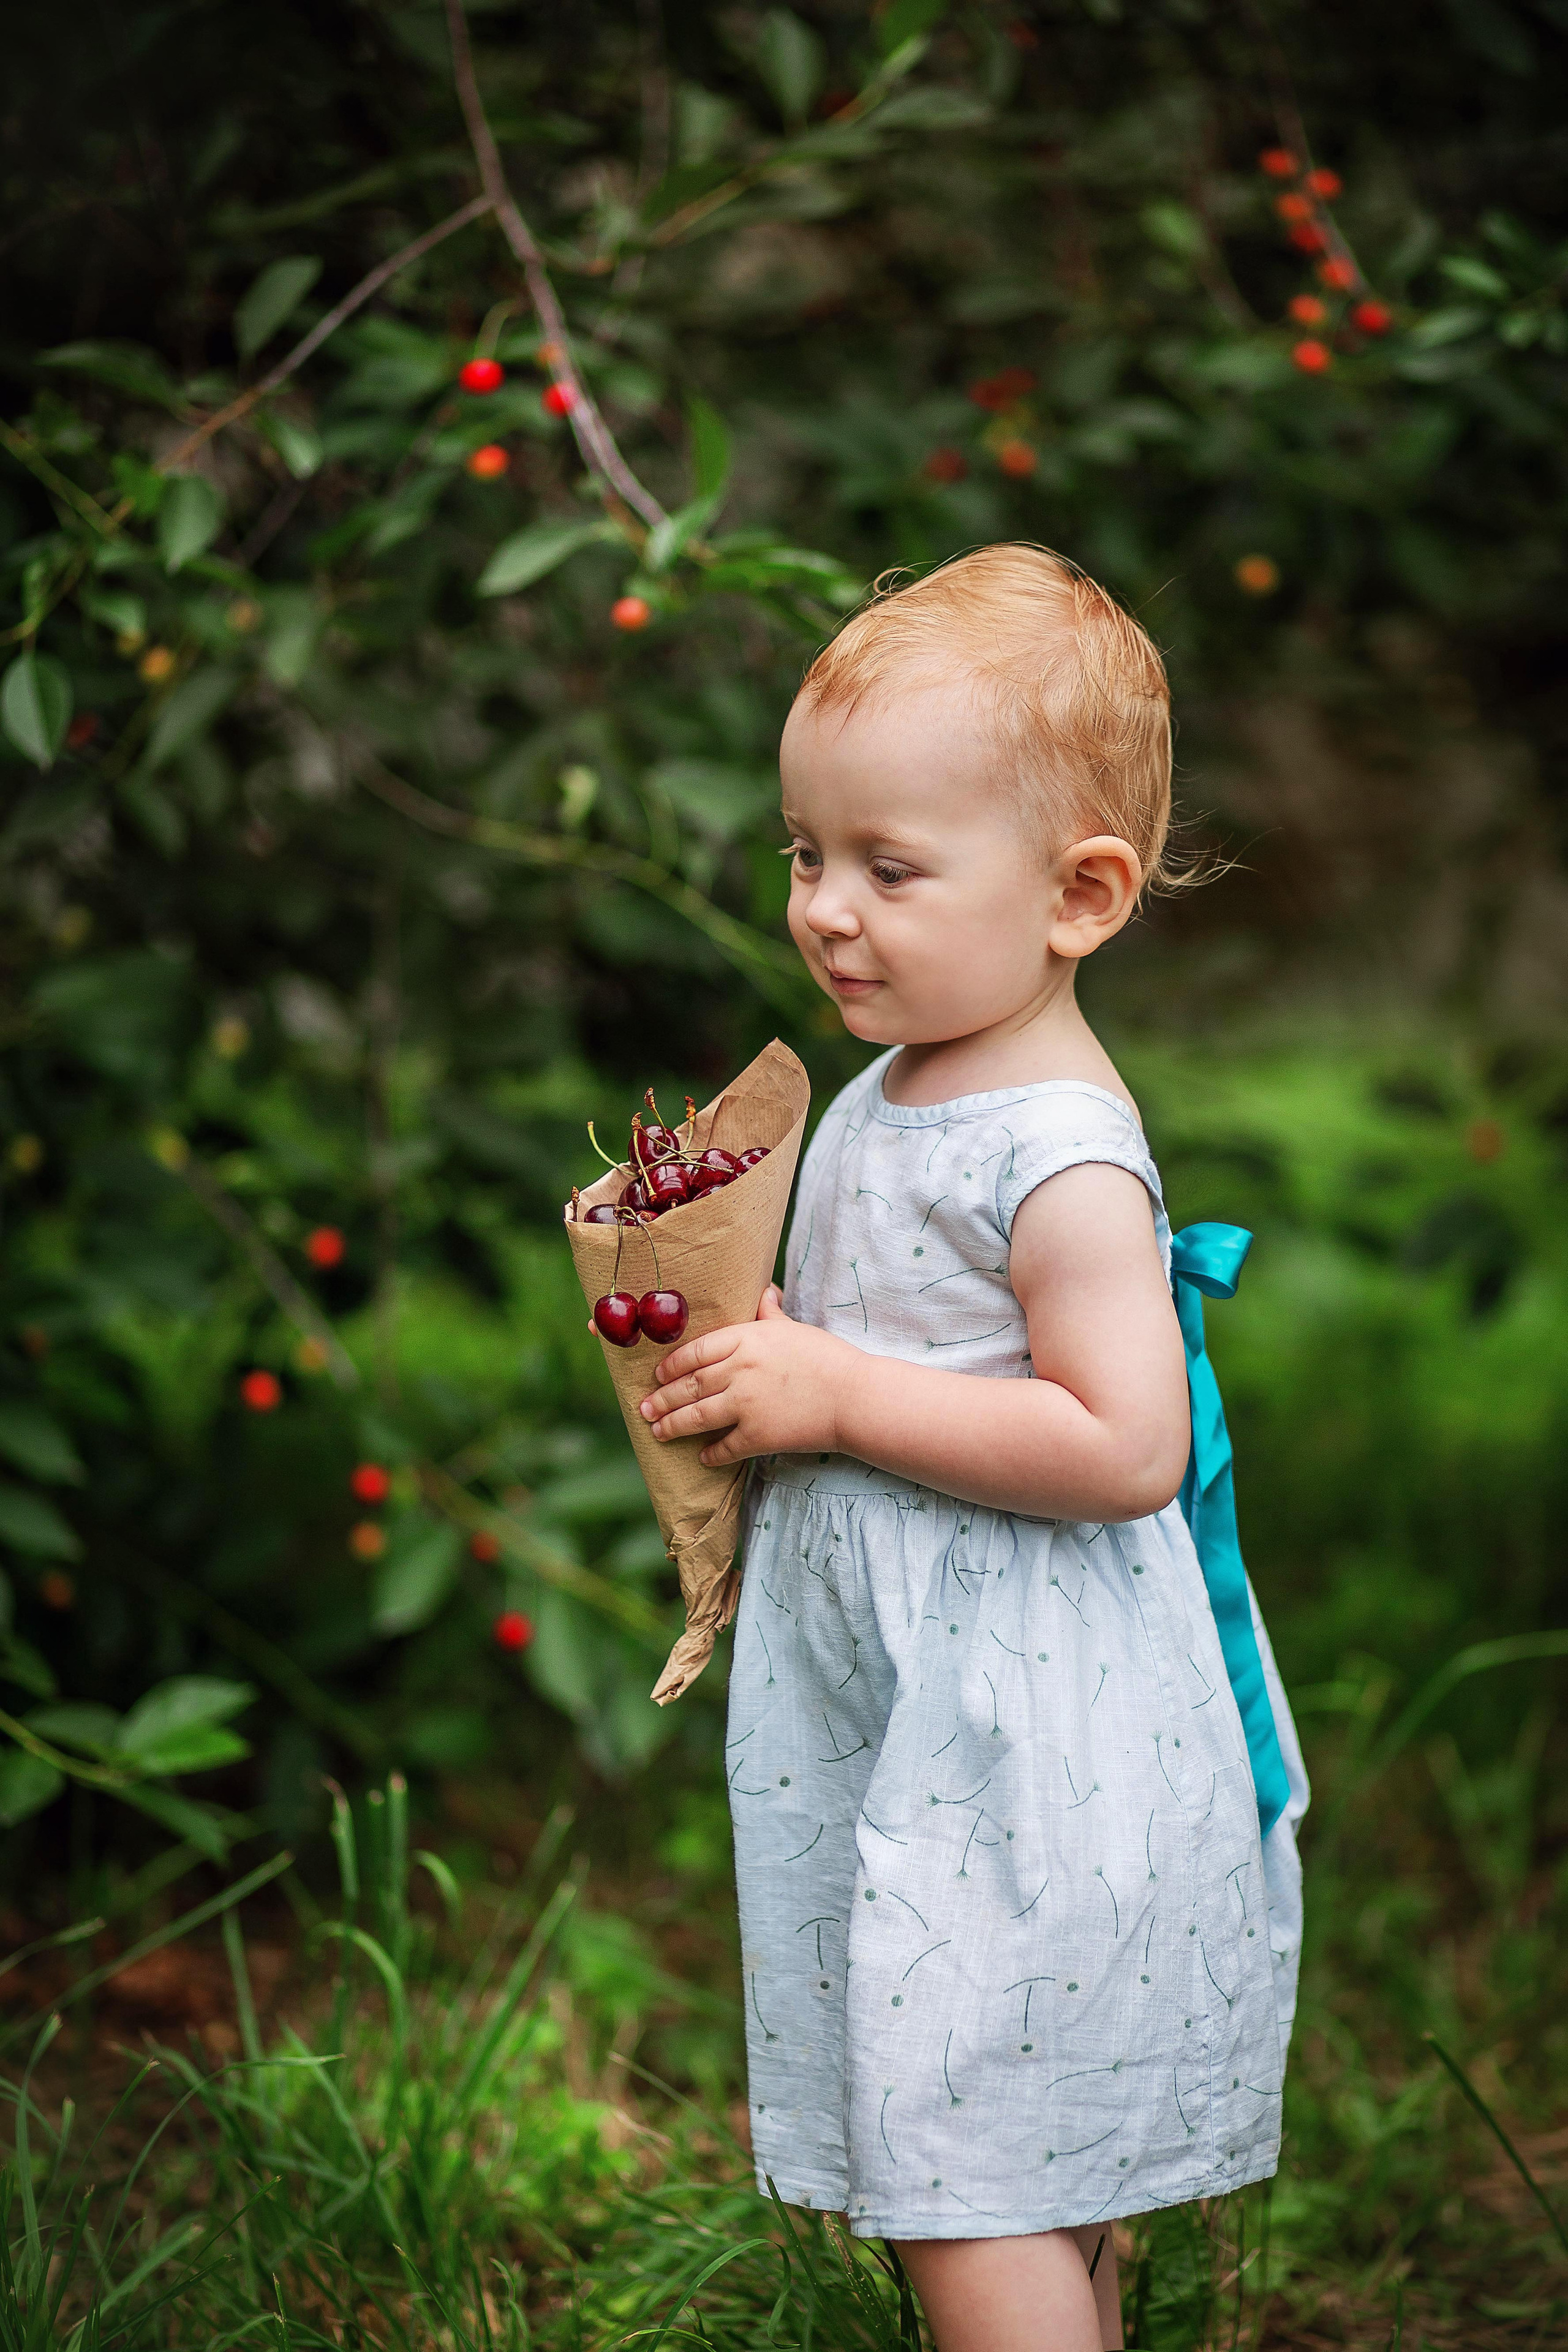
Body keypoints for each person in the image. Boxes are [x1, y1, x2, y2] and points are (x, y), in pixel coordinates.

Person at [639, 545, 1308, 2352]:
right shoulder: (888, 1087)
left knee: (968, 2173)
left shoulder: (1059, 1149)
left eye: (890, 867)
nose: (824, 911)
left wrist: (836, 1395)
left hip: (1030, 1739)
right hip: (926, 1718)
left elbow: (1125, 1440)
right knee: (1008, 2140)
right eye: (806, 854)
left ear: (1080, 894)